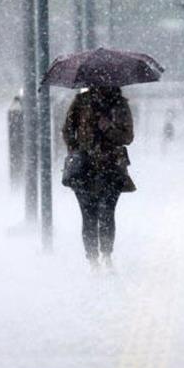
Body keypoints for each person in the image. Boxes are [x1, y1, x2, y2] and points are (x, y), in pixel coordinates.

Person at [62, 86, 135, 270]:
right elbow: (67, 130)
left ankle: (106, 254)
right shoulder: (81, 102)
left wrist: (109, 128)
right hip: (84, 168)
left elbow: (127, 137)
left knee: (107, 212)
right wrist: (75, 149)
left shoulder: (120, 104)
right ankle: (93, 259)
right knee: (88, 214)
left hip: (111, 167)